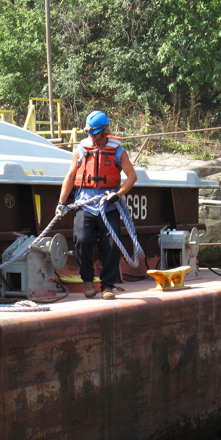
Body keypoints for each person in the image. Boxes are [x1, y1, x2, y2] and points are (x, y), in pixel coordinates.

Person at [57, 110, 137, 300]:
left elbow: (132, 176)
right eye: (89, 133)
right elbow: (70, 176)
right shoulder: (81, 149)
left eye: (95, 133)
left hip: (108, 205)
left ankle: (108, 286)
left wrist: (117, 195)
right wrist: (61, 202)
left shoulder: (118, 151)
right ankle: (87, 280)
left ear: (104, 131)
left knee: (111, 244)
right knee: (82, 240)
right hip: (85, 203)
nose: (91, 136)